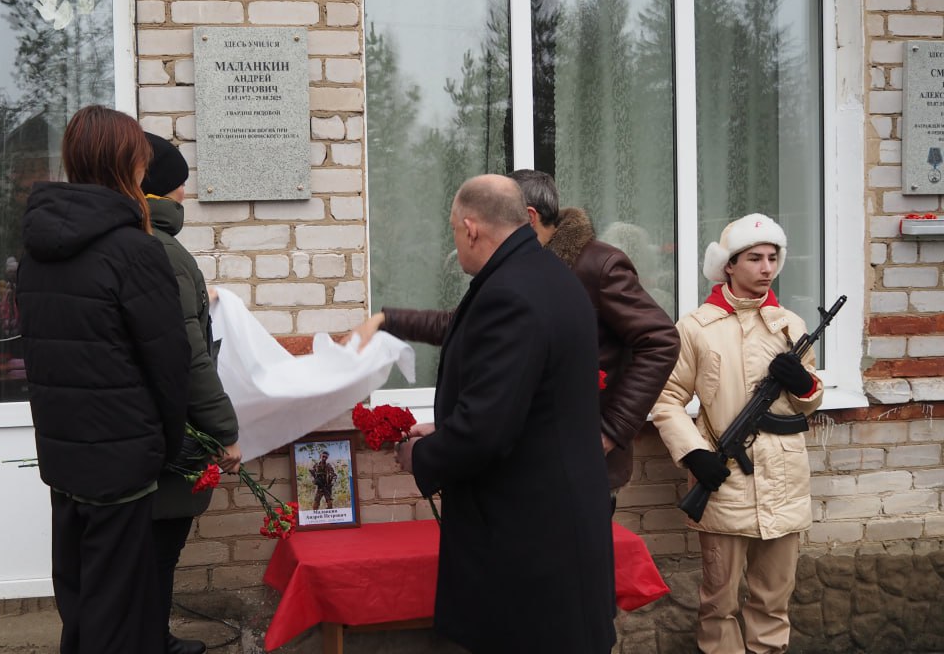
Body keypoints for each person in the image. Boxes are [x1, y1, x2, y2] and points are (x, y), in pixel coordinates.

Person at [350, 169, 679, 504]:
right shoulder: (514, 273)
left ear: (529, 218)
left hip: (578, 462)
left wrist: (611, 430)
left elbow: (661, 341)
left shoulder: (598, 265)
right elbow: (462, 325)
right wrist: (388, 321)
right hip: (529, 459)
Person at [393, 175, 615, 653]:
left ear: (470, 228)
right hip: (558, 525)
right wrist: (449, 424)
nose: (456, 241)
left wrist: (422, 455)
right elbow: (525, 399)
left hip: (529, 538)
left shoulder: (509, 293)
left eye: (454, 230)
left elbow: (487, 431)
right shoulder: (548, 274)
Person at [19, 105, 190, 654]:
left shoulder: (36, 254)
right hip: (120, 460)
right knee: (120, 610)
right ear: (127, 164)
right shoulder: (135, 251)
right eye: (140, 159)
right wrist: (167, 445)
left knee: (80, 600)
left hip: (65, 455)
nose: (144, 169)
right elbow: (169, 366)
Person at [651, 213, 822, 654]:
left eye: (772, 258)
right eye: (754, 258)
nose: (766, 268)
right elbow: (666, 399)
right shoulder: (696, 327)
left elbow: (810, 400)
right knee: (719, 603)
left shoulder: (791, 325)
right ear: (729, 264)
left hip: (783, 481)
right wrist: (693, 453)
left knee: (773, 601)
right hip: (724, 481)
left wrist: (804, 385)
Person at [141, 133, 241, 654]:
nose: (186, 192)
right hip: (167, 431)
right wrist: (224, 430)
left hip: (123, 434)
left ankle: (148, 637)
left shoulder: (132, 243)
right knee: (158, 551)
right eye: (181, 182)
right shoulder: (165, 252)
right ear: (165, 188)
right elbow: (190, 357)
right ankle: (152, 641)